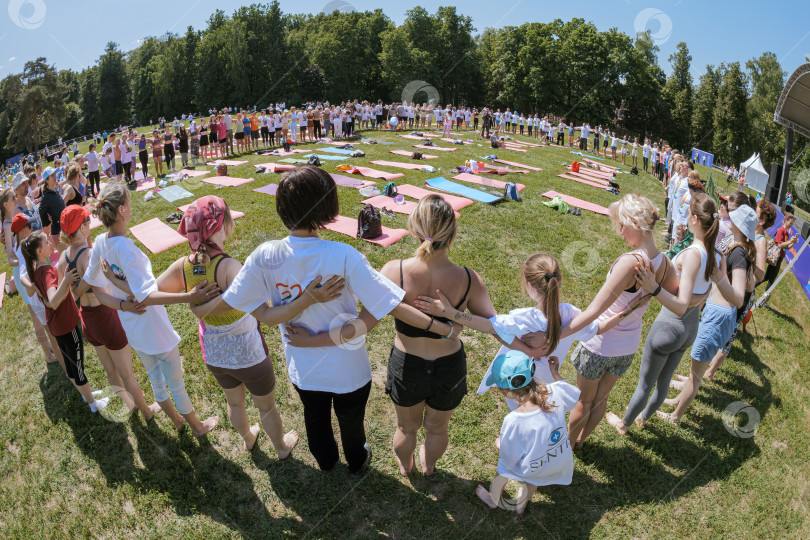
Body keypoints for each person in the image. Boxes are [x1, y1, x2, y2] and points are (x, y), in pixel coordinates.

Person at [208, 166, 450, 478]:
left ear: (281, 208)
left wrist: (193, 304)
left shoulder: (264, 255)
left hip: (305, 367)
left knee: (315, 417)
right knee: (350, 421)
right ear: (328, 207)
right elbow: (379, 309)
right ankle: (356, 460)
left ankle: (325, 461)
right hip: (348, 367)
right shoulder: (342, 255)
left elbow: (258, 313)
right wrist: (314, 306)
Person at [149, 196, 340, 453]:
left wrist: (191, 302)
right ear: (219, 226)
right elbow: (263, 309)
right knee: (267, 407)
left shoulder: (183, 266)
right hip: (249, 354)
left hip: (216, 356)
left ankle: (248, 438)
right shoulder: (229, 267)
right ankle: (281, 447)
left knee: (235, 404)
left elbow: (152, 292)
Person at [74, 183, 220, 437]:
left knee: (156, 379)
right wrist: (189, 296)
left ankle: (177, 421)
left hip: (132, 328)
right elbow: (147, 296)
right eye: (129, 204)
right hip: (153, 326)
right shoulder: (127, 250)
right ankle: (197, 426)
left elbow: (94, 286)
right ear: (122, 210)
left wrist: (88, 290)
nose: (131, 208)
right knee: (176, 383)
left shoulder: (99, 242)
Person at [375, 195, 497, 476]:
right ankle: (429, 467)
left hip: (407, 364)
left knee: (406, 428)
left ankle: (407, 468)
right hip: (449, 366)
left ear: (414, 229)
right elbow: (492, 325)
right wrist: (453, 315)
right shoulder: (468, 279)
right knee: (438, 429)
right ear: (452, 234)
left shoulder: (395, 271)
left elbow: (372, 308)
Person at [553, 195, 680, 449]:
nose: (621, 233)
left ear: (635, 222)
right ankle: (580, 443)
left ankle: (566, 447)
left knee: (584, 401)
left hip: (600, 344)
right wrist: (653, 290)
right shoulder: (665, 262)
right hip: (627, 347)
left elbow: (592, 312)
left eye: (622, 225)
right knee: (601, 401)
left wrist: (555, 335)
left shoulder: (630, 262)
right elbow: (677, 297)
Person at [606, 193, 719, 434]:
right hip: (690, 330)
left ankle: (624, 425)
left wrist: (653, 288)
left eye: (689, 214)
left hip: (670, 326)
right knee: (663, 382)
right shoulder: (713, 255)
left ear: (695, 220)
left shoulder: (692, 255)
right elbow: (704, 292)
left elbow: (681, 303)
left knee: (645, 385)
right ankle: (644, 418)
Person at [58, 205, 160, 419]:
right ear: (82, 228)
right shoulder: (88, 255)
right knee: (127, 373)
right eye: (87, 222)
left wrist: (76, 289)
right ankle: (146, 411)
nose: (89, 224)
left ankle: (129, 404)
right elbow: (102, 289)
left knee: (110, 370)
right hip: (105, 317)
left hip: (86, 319)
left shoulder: (63, 259)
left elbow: (68, 292)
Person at [659, 204, 758, 424]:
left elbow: (740, 297)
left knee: (696, 375)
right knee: (696, 363)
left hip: (719, 315)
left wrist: (719, 279)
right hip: (715, 312)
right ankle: (678, 400)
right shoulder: (737, 246)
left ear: (738, 225)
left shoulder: (740, 254)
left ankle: (674, 417)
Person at [474, 352, 579, 515]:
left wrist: (500, 444)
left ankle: (493, 499)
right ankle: (521, 503)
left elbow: (509, 456)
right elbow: (571, 394)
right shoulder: (555, 392)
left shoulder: (515, 420)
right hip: (554, 460)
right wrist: (555, 374)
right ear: (532, 372)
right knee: (534, 477)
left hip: (532, 465)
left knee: (502, 468)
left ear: (505, 391)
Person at [21, 229, 110, 413]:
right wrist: (67, 280)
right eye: (46, 242)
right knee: (77, 368)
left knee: (70, 367)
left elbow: (46, 298)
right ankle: (94, 404)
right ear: (39, 251)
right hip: (67, 327)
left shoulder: (37, 270)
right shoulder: (45, 273)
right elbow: (53, 302)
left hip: (57, 327)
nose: (50, 243)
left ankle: (87, 396)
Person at [12, 213, 62, 365]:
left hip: (32, 291)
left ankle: (57, 354)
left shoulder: (19, 243)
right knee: (48, 328)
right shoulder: (24, 247)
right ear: (23, 230)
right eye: (29, 226)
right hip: (33, 293)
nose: (32, 228)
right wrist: (33, 287)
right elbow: (22, 275)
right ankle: (59, 358)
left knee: (47, 325)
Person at [761, 212, 798, 294]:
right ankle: (764, 298)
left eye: (792, 224)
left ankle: (751, 288)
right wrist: (790, 241)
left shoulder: (787, 233)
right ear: (786, 220)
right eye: (790, 223)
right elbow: (780, 245)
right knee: (771, 280)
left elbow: (787, 247)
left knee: (766, 277)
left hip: (779, 258)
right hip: (776, 257)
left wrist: (793, 243)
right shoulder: (781, 230)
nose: (791, 225)